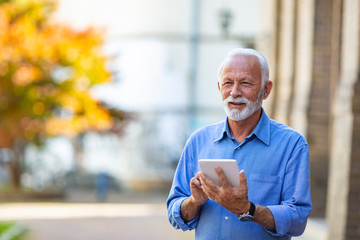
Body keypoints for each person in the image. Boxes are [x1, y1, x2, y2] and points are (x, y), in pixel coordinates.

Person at [167, 48, 312, 240]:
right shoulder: (198, 141)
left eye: (245, 83)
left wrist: (247, 209)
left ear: (266, 90)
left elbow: (297, 220)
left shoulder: (292, 145)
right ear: (219, 87)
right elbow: (174, 213)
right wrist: (195, 201)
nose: (234, 92)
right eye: (228, 83)